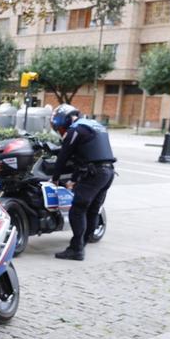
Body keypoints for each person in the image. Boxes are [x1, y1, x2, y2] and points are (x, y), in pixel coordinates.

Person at [48, 104, 115, 261]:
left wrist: (56, 177)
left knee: (77, 210)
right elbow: (88, 153)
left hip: (94, 174)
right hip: (108, 172)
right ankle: (83, 243)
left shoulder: (75, 130)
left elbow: (64, 155)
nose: (62, 132)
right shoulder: (95, 126)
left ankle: (76, 249)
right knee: (92, 210)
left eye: (61, 128)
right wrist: (74, 178)